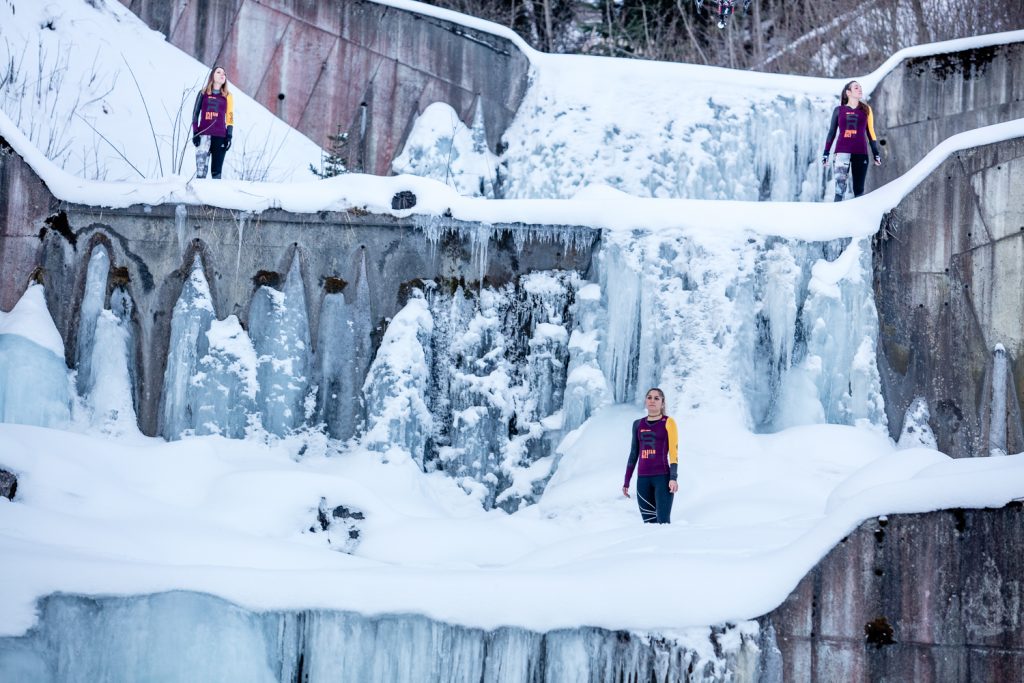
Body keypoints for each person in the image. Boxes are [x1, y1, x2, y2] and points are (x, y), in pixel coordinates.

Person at [622, 388, 679, 524]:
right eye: (649, 397)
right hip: (642, 480)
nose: (652, 400)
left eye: (656, 398)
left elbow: (673, 452)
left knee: (663, 522)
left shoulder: (668, 422)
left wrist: (673, 478)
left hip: (663, 479)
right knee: (648, 524)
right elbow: (634, 453)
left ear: (662, 403)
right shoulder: (637, 424)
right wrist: (626, 481)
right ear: (645, 401)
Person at [821, 80, 882, 201]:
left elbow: (871, 132)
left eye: (860, 87)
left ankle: (857, 219)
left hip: (861, 153)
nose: (860, 89)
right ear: (848, 92)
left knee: (859, 192)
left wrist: (876, 153)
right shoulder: (839, 110)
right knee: (839, 191)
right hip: (841, 153)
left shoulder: (866, 110)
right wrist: (826, 153)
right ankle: (835, 218)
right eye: (856, 87)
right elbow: (831, 133)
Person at [191, 66, 234, 179]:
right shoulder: (203, 93)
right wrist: (195, 133)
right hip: (203, 137)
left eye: (224, 73)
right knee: (201, 175)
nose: (222, 75)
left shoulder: (228, 96)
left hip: (220, 137)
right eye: (219, 72)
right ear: (212, 76)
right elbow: (195, 114)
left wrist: (229, 136)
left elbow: (230, 117)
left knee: (216, 175)